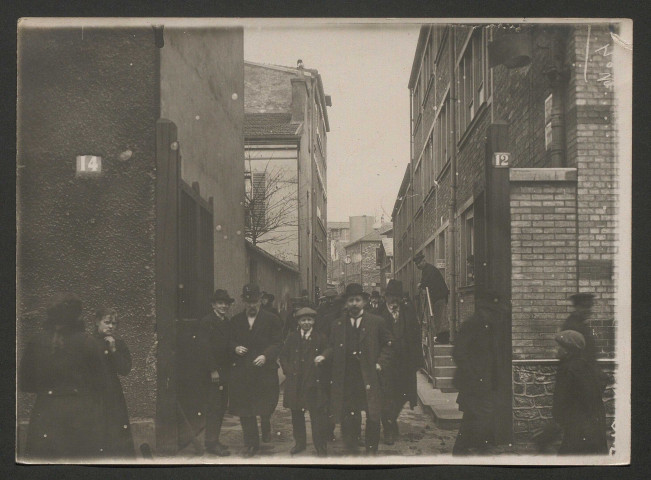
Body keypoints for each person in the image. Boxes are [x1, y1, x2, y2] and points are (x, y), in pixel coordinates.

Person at [19, 293, 105, 461]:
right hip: (79, 415)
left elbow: (26, 384)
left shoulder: (36, 342)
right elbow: (101, 383)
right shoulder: (88, 342)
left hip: (45, 414)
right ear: (77, 316)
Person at [322, 283, 394, 455]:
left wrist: (380, 363)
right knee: (349, 414)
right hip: (348, 376)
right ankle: (352, 447)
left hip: (369, 375)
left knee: (372, 414)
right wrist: (324, 355)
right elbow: (332, 346)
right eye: (351, 300)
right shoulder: (338, 324)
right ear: (346, 303)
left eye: (357, 300)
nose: (354, 303)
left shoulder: (376, 322)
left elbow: (389, 345)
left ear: (364, 302)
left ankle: (371, 451)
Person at [229, 284, 283, 457]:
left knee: (266, 405)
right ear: (244, 301)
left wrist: (266, 356)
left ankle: (266, 422)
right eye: (248, 302)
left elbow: (278, 342)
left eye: (255, 302)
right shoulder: (236, 321)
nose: (252, 305)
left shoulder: (272, 319)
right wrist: (235, 347)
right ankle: (251, 444)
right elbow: (229, 340)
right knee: (246, 409)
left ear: (261, 300)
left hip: (264, 370)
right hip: (244, 371)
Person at [452, 290, 503, 455]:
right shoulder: (472, 325)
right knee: (480, 415)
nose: (492, 315)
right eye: (489, 311)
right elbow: (458, 352)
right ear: (482, 310)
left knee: (473, 416)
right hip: (473, 382)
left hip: (484, 382)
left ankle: (463, 450)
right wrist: (473, 375)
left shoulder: (489, 327)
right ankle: (472, 449)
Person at [279, 307, 329, 456]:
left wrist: (323, 357)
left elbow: (328, 350)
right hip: (296, 383)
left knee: (317, 416)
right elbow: (283, 355)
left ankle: (320, 446)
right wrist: (288, 370)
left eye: (309, 320)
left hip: (313, 383)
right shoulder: (292, 337)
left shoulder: (320, 337)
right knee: (297, 415)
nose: (306, 322)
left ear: (313, 321)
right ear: (298, 322)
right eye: (303, 320)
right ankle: (299, 443)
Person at [377, 280, 422, 445]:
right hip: (386, 364)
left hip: (405, 363)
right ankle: (388, 429)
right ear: (386, 297)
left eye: (397, 297)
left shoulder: (408, 312)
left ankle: (391, 420)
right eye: (391, 296)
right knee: (386, 397)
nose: (394, 300)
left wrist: (418, 360)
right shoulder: (378, 314)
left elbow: (416, 336)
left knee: (403, 395)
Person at [552, 330, 608, 454]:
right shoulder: (584, 363)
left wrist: (558, 419)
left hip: (579, 423)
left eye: (559, 346)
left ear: (568, 349)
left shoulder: (568, 368)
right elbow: (603, 379)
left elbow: (561, 397)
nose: (555, 350)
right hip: (592, 420)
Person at [93, 308, 135, 459]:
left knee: (116, 431)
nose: (111, 326)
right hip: (93, 393)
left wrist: (113, 349)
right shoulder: (88, 342)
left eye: (114, 323)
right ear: (97, 321)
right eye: (107, 322)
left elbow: (125, 369)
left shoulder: (118, 343)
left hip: (112, 393)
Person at [198, 289, 235, 456]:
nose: (224, 306)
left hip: (225, 371)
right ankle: (211, 443)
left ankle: (214, 439)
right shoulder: (207, 322)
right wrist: (212, 369)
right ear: (213, 304)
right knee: (214, 407)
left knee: (221, 407)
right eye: (220, 303)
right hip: (213, 373)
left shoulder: (226, 322)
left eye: (226, 303)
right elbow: (204, 348)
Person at [414, 251, 450, 344]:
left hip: (439, 297)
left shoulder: (429, 269)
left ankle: (443, 338)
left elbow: (426, 281)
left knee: (440, 317)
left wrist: (421, 284)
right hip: (437, 297)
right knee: (438, 317)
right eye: (416, 264)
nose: (418, 265)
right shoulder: (426, 270)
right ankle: (440, 337)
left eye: (419, 263)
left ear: (423, 261)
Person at [562, 293, 597, 364]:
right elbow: (573, 354)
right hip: (577, 370)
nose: (588, 310)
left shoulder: (582, 323)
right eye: (584, 307)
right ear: (576, 307)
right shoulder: (572, 325)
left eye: (590, 306)